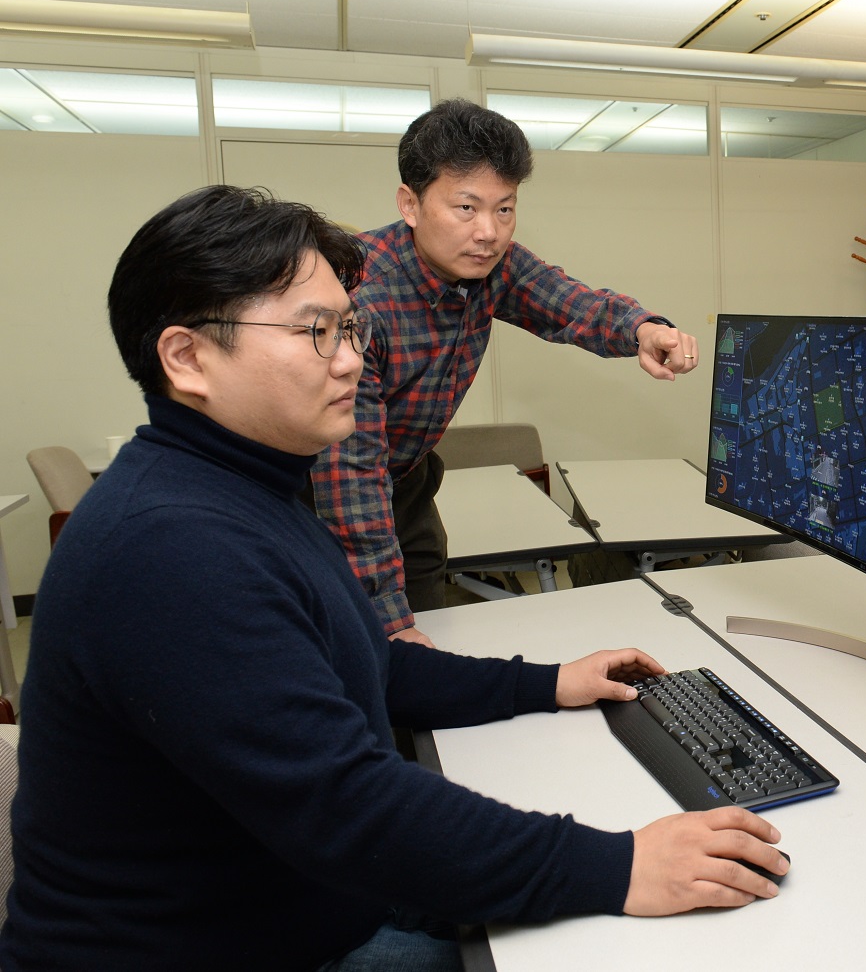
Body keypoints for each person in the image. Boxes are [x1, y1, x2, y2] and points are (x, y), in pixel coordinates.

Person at [0, 186, 784, 971]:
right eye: (316, 332)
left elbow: (360, 665)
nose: (351, 359)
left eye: (350, 328)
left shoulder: (242, 489)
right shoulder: (169, 548)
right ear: (187, 357)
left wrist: (543, 684)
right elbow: (353, 810)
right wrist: (621, 867)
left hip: (302, 899)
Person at [309, 98, 700, 646]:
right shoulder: (359, 300)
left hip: (408, 480)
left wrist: (644, 329)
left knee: (428, 626)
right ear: (410, 204)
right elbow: (350, 473)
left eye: (505, 209)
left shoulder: (495, 266)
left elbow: (569, 301)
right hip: (319, 490)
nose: (489, 232)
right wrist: (390, 625)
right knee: (357, 645)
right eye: (466, 208)